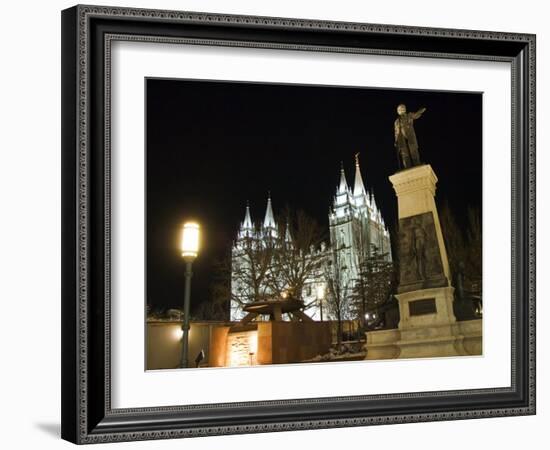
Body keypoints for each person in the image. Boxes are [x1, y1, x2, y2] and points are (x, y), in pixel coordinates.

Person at [394, 104, 427, 169]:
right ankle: (407, 166)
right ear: (398, 111)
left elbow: (415, 115)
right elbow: (396, 132)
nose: (401, 110)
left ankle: (417, 163)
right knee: (404, 153)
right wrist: (396, 141)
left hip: (410, 135)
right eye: (400, 109)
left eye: (403, 108)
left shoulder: (409, 115)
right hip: (401, 138)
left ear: (405, 109)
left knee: (413, 149)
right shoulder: (396, 121)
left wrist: (420, 111)